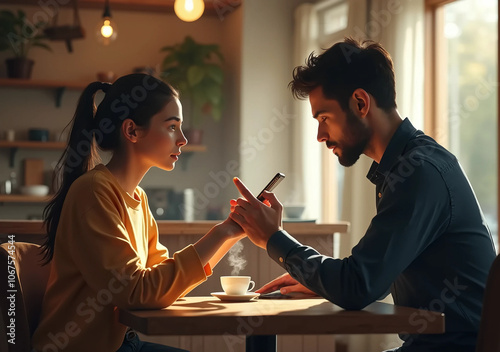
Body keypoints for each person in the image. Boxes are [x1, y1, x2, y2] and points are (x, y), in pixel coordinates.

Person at [228, 37, 497, 352]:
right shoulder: (406, 166)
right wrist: (324, 284)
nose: (320, 136)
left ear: (360, 103)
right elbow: (373, 277)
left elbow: (358, 286)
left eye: (324, 118)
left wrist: (274, 237)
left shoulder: (419, 172)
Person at [32, 73, 245, 352]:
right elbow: (138, 291)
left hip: (126, 344)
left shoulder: (137, 198)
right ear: (131, 131)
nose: (182, 139)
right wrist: (221, 234)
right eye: (172, 127)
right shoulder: (94, 192)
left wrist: (231, 231)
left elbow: (158, 284)